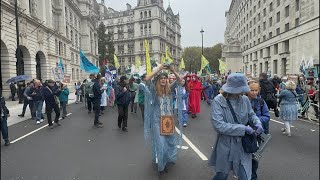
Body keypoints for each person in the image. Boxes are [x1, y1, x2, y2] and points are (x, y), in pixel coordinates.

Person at [209, 73, 263, 180]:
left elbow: (251, 114)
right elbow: (219, 125)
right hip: (226, 144)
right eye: (240, 88)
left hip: (243, 144)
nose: (243, 91)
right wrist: (243, 129)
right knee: (222, 174)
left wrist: (258, 122)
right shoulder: (218, 101)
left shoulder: (245, 99)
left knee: (245, 175)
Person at [144, 64, 182, 173]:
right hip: (156, 121)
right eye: (161, 78)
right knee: (160, 143)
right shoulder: (154, 90)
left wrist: (173, 71)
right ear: (158, 80)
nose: (163, 80)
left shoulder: (170, 89)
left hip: (168, 121)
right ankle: (161, 165)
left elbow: (179, 80)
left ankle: (165, 160)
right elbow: (147, 79)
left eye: (165, 78)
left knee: (169, 143)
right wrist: (159, 69)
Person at [246, 81, 270, 180]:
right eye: (252, 90)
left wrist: (256, 121)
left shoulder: (261, 102)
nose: (254, 92)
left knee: (255, 157)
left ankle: (253, 177)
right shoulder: (242, 101)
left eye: (256, 90)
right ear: (247, 90)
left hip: (257, 134)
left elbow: (267, 116)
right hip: (244, 133)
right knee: (244, 156)